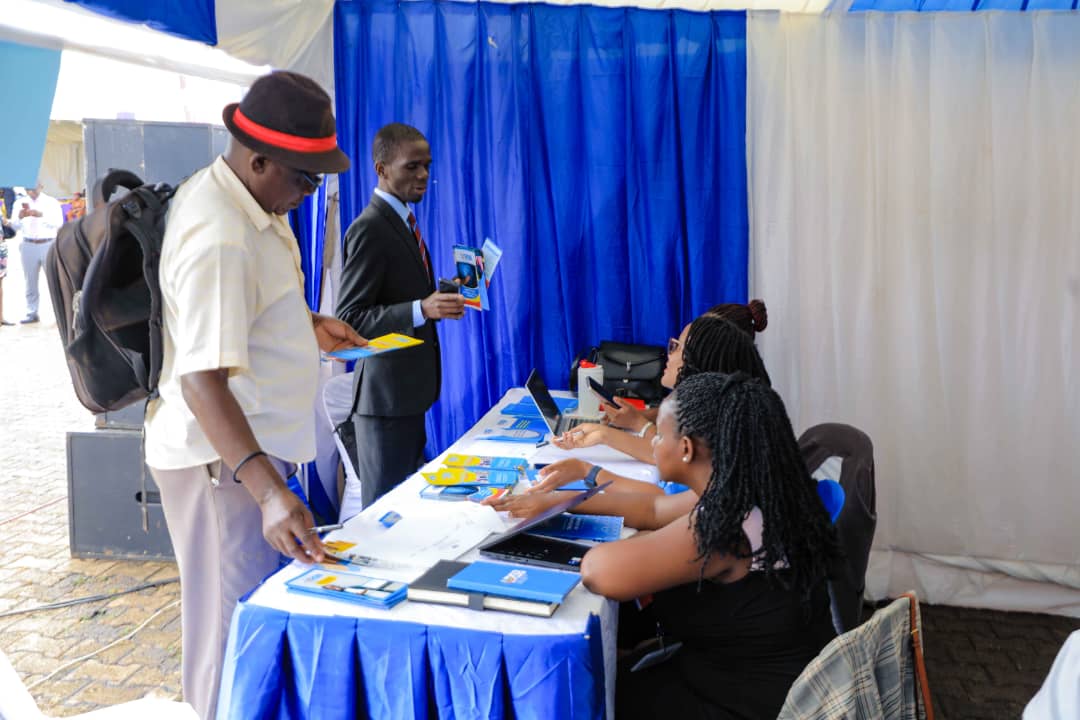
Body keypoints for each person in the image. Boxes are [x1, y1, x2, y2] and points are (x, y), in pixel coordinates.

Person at [142, 71, 364, 720]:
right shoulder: (221, 235)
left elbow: (256, 312)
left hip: (248, 462)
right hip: (224, 469)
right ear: (258, 158)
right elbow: (201, 379)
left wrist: (310, 327)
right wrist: (269, 492)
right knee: (227, 637)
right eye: (304, 178)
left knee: (254, 627)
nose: (310, 192)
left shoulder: (256, 202)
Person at [576, 372, 840, 719]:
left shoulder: (726, 525)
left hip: (745, 703)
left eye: (660, 436)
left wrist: (651, 543)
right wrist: (560, 501)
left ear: (686, 449)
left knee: (589, 696)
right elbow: (653, 509)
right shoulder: (753, 492)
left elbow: (598, 572)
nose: (652, 443)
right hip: (762, 680)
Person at [336, 122, 466, 515]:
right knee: (384, 516)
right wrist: (421, 309)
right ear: (381, 168)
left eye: (426, 165)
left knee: (406, 510)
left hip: (407, 397)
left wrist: (438, 297)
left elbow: (397, 294)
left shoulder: (403, 221)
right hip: (384, 403)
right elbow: (350, 317)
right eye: (412, 166)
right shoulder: (370, 228)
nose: (423, 175)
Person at [524, 315, 772, 499]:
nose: (668, 353)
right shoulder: (722, 428)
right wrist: (600, 442)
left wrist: (587, 472)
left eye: (676, 346)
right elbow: (660, 502)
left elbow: (658, 505)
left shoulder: (711, 451)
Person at [4, 183, 64, 324]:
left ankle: (60, 312)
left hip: (48, 243)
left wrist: (40, 215)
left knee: (54, 279)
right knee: (30, 281)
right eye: (28, 190)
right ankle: (32, 312)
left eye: (33, 189)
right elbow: (16, 226)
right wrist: (18, 218)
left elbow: (59, 223)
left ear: (41, 186)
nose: (31, 192)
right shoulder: (19, 203)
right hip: (28, 243)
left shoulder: (51, 202)